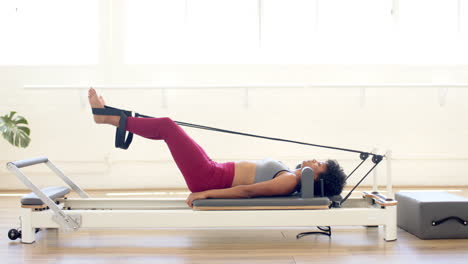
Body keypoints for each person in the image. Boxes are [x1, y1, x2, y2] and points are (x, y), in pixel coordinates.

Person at [88, 88, 346, 207]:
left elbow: (247, 192)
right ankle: (113, 117)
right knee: (168, 131)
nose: (314, 159)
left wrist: (207, 194)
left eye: (319, 163)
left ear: (318, 177)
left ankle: (108, 118)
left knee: (167, 126)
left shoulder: (288, 181)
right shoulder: (288, 174)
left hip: (207, 177)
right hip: (211, 168)